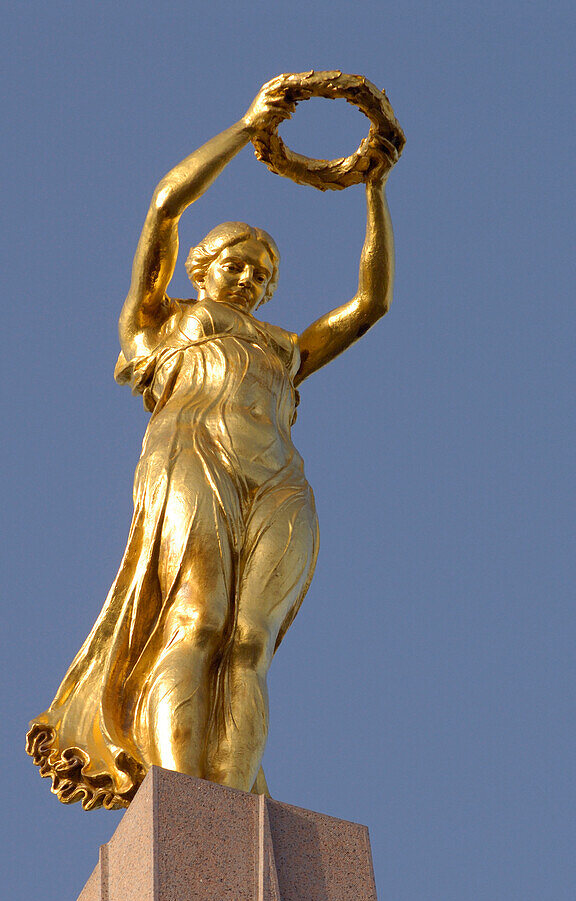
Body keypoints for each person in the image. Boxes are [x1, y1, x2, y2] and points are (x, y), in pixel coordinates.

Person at [27, 76, 397, 809]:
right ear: (201, 266)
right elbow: (165, 204)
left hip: (279, 478)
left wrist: (373, 189)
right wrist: (247, 125)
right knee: (195, 621)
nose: (249, 277)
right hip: (191, 454)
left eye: (262, 272)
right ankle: (182, 804)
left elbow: (370, 305)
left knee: (250, 641)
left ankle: (231, 813)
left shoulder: (286, 348)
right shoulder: (161, 320)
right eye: (234, 262)